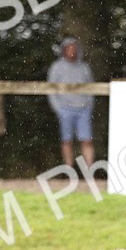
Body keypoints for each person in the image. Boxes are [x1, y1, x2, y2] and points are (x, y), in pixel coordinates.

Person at [47, 36, 95, 169]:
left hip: (83, 109)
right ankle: (70, 171)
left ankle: (89, 171)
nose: (72, 51)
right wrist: (58, 108)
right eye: (69, 48)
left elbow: (91, 87)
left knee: (86, 140)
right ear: (64, 50)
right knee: (66, 140)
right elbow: (51, 89)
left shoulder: (84, 67)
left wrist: (89, 105)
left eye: (74, 48)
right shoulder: (56, 67)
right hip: (65, 109)